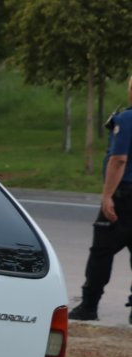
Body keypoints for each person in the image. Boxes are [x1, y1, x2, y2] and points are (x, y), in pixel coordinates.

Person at [69, 74, 132, 324]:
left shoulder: (126, 119)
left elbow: (119, 160)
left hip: (124, 196)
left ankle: (89, 305)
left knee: (101, 252)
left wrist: (107, 195)